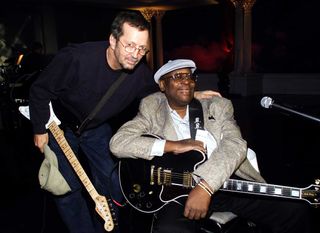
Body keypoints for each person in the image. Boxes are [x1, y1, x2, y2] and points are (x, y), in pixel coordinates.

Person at [29, 11, 219, 233]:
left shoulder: (139, 75)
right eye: (129, 45)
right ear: (112, 40)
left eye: (141, 49)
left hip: (95, 128)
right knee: (66, 188)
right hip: (59, 125)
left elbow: (157, 93)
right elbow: (39, 90)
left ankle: (108, 228)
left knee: (113, 184)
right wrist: (39, 129)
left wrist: (193, 95)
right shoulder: (76, 58)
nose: (135, 54)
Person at [109, 59, 311, 233]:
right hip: (176, 192)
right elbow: (118, 144)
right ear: (162, 85)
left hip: (224, 183)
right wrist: (173, 145)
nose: (187, 81)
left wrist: (205, 186)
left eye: (190, 77)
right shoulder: (152, 108)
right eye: (178, 77)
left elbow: (235, 145)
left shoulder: (217, 106)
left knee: (294, 211)